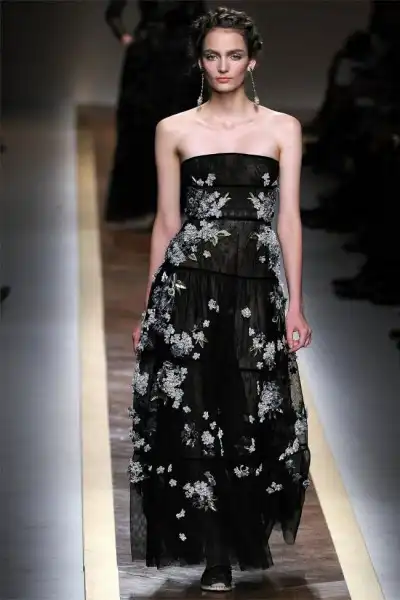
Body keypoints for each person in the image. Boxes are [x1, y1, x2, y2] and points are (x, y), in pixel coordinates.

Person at [129, 6, 312, 592]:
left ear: (251, 61)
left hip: (256, 290)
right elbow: (166, 221)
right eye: (212, 55)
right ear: (200, 61)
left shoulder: (283, 129)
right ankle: (216, 553)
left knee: (250, 413)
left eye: (234, 55)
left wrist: (295, 304)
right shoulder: (174, 129)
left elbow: (288, 220)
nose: (223, 66)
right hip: (189, 287)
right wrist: (149, 307)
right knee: (195, 412)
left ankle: (240, 533)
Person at [104, 0, 206, 228]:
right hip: (150, 59)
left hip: (177, 60)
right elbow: (113, 14)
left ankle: (174, 208)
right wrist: (128, 40)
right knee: (144, 130)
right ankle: (148, 207)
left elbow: (202, 19)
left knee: (178, 131)